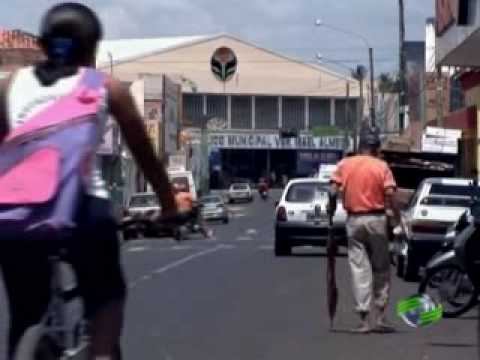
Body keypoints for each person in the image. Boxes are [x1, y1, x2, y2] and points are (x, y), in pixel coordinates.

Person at [0, 3, 190, 359]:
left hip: (14, 219)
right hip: (81, 211)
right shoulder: (105, 87)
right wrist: (168, 204)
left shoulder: (10, 86)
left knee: (25, 314)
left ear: (43, 44)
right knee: (107, 295)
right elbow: (145, 154)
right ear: (92, 49)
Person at [328, 126, 398, 334]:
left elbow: (332, 191)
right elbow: (390, 194)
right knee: (381, 268)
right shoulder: (382, 167)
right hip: (377, 219)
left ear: (360, 147)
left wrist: (331, 211)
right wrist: (397, 218)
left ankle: (364, 320)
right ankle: (381, 316)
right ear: (375, 148)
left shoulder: (345, 164)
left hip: (354, 221)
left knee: (359, 269)